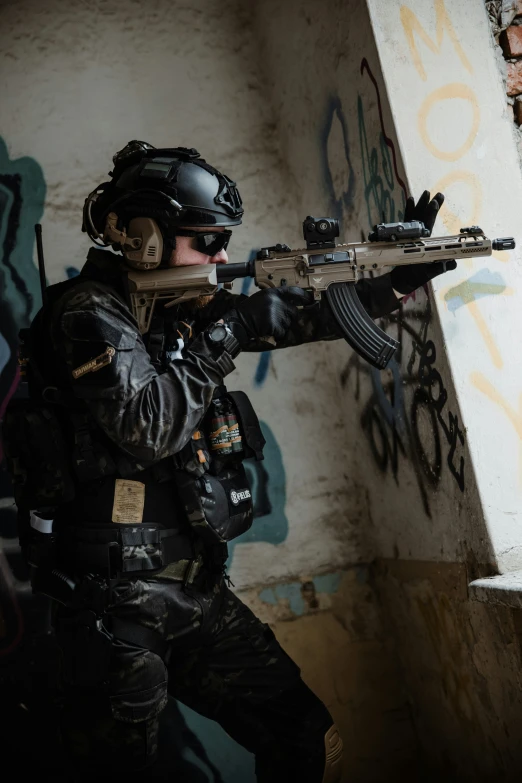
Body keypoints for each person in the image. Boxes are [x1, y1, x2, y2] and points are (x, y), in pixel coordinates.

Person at [3, 141, 453, 782]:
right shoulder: (85, 316)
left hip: (192, 591)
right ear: (143, 238)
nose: (220, 258)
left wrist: (394, 281)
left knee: (306, 739)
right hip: (115, 608)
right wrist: (228, 332)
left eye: (222, 244)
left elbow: (298, 316)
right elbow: (148, 425)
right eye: (207, 242)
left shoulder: (176, 312)